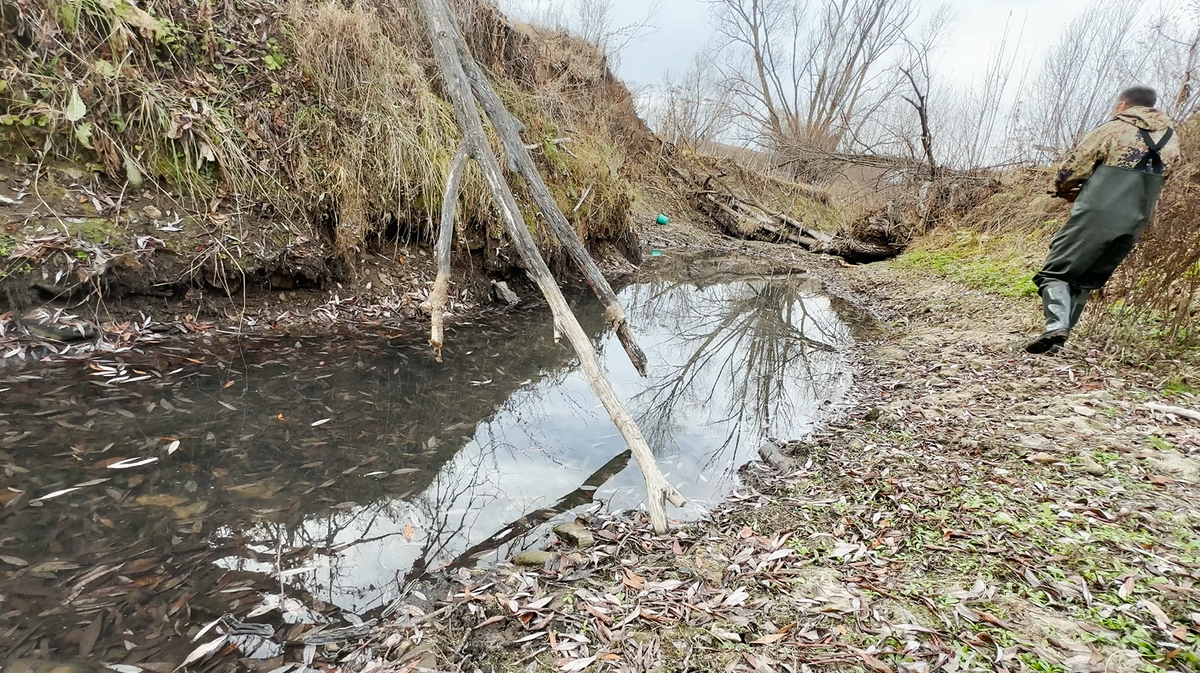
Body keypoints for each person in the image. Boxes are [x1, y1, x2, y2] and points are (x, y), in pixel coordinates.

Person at [1025, 86, 1182, 354]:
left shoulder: (1114, 129)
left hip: (1096, 214)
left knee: (1055, 272)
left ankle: (1055, 328)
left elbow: (1070, 171)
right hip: (1135, 221)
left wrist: (1065, 192)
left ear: (1123, 105)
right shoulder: (1172, 139)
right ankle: (1059, 340)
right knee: (1085, 279)